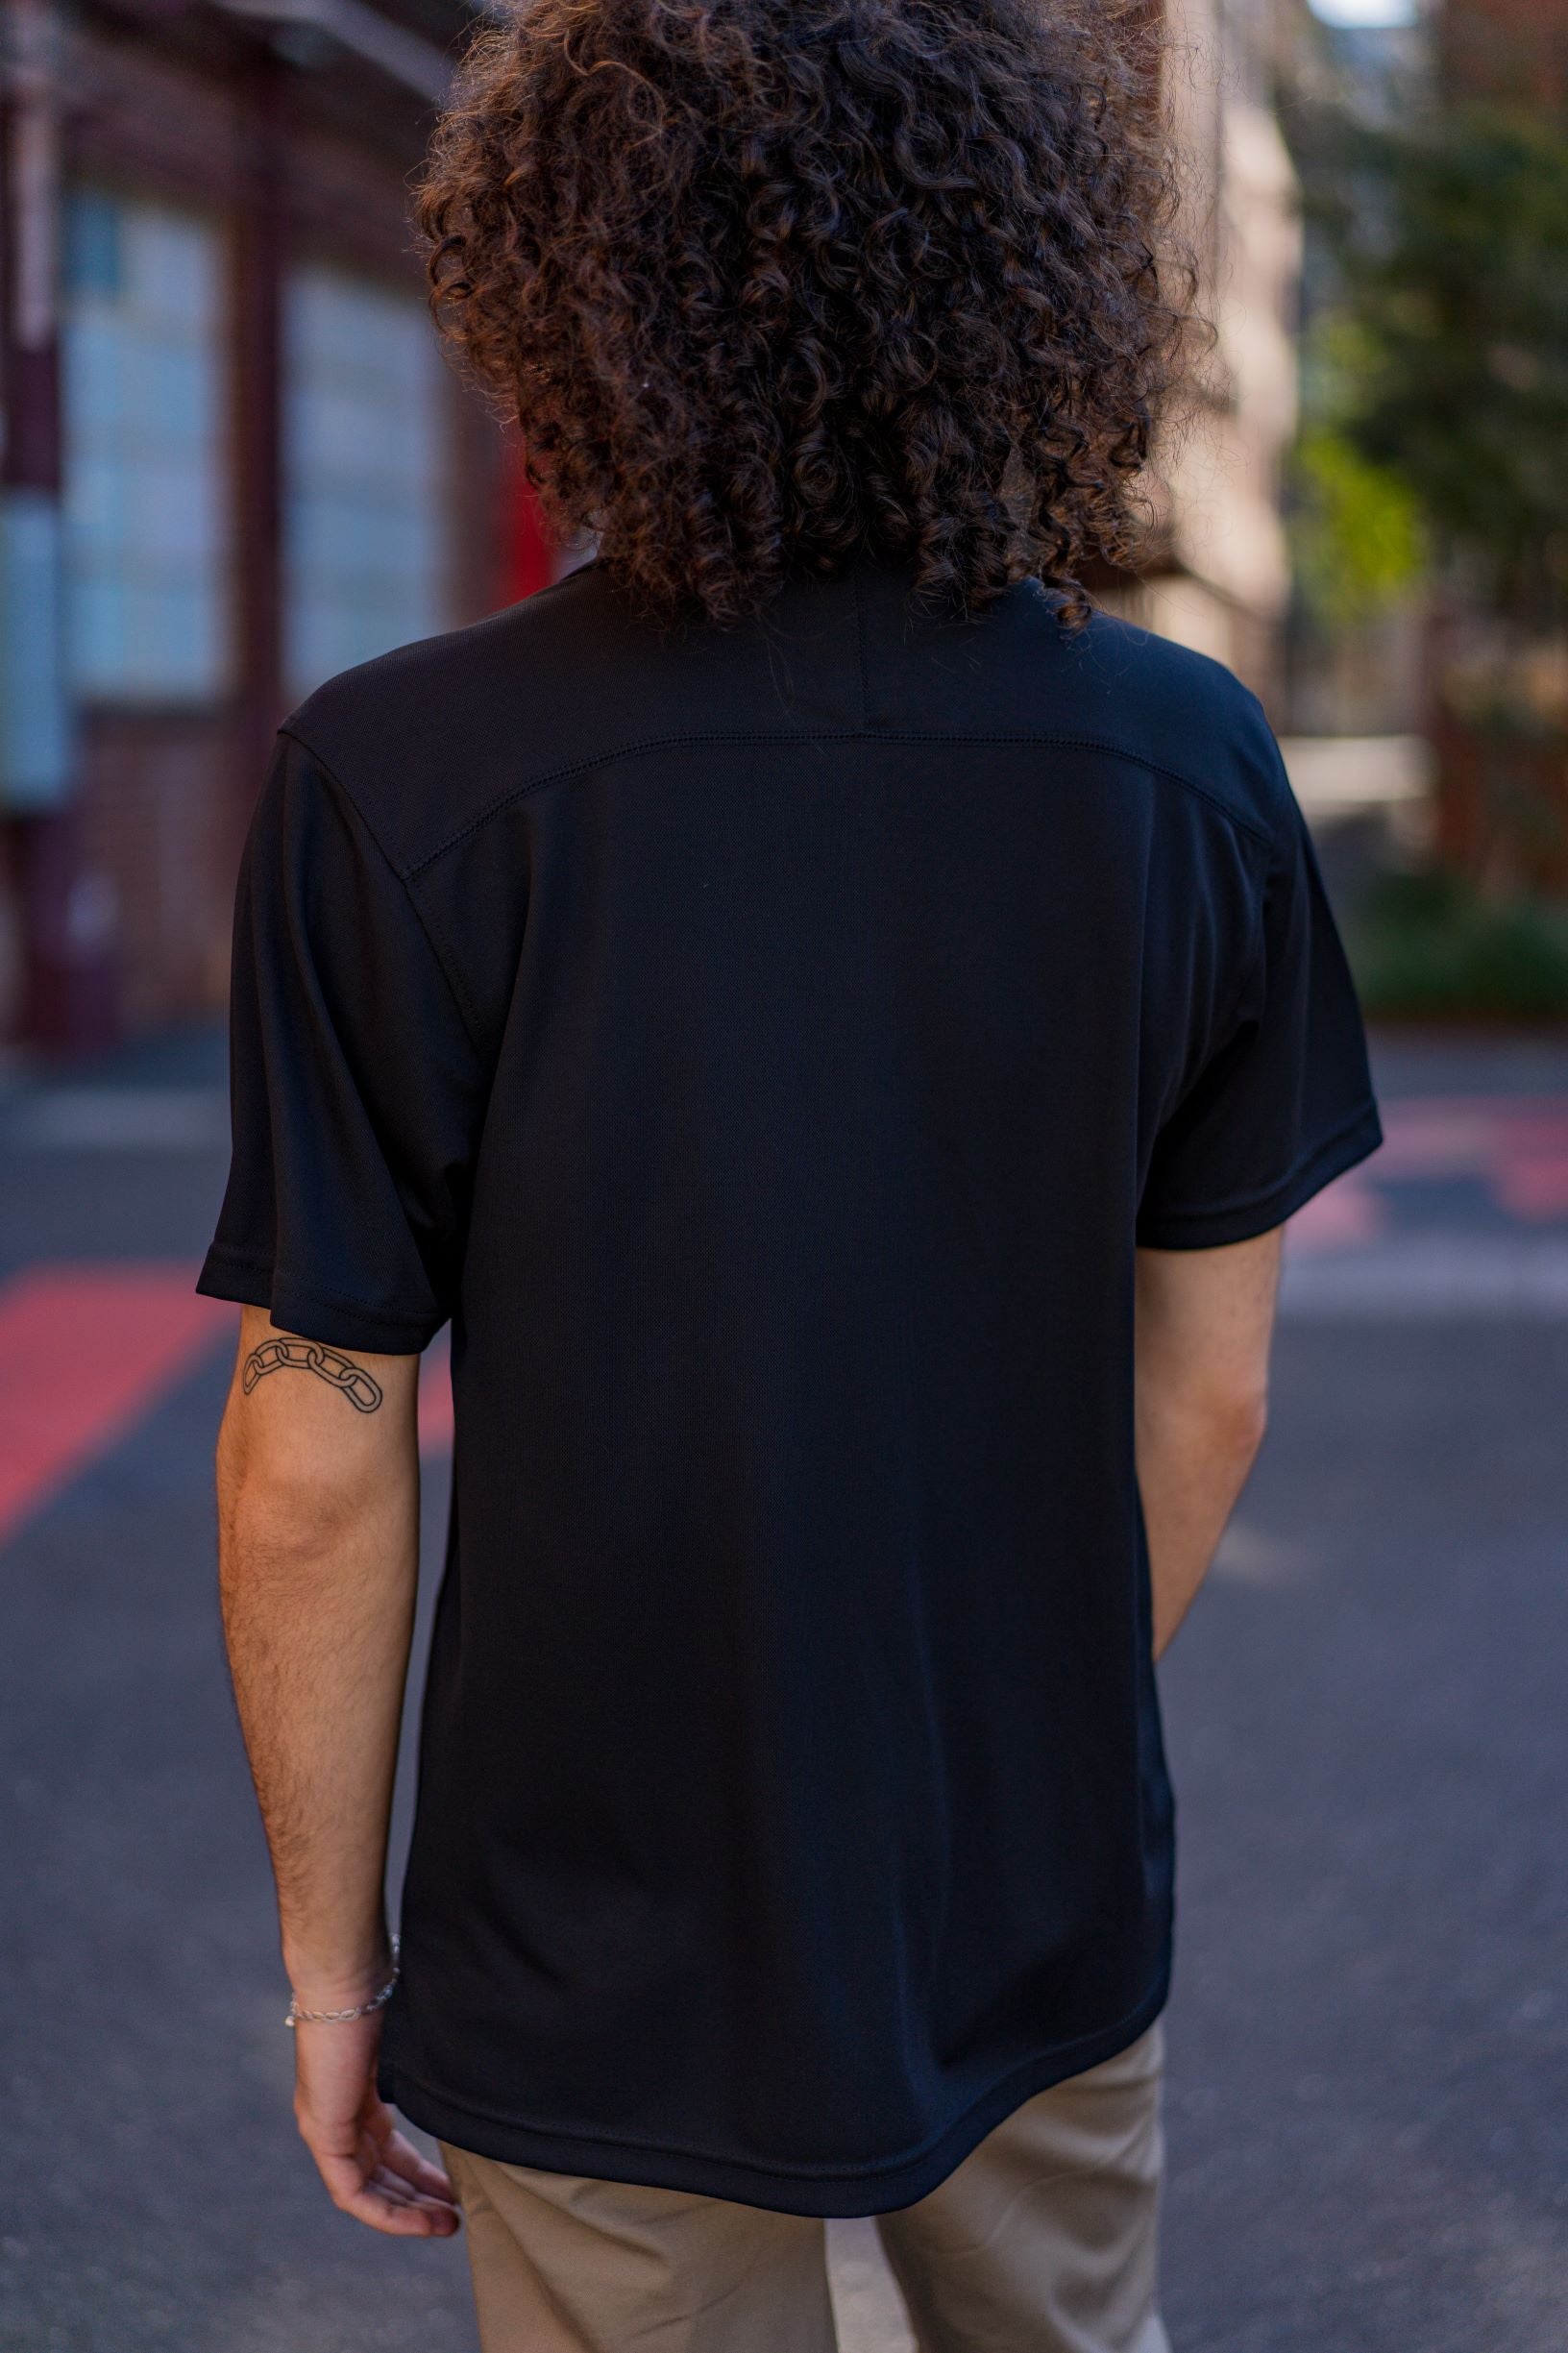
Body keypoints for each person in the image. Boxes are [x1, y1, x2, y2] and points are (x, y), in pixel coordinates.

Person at [199, 2, 1384, 2346]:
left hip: (589, 1923)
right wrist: (990, 1746)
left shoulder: (402, 775)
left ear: (567, 290)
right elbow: (1211, 1395)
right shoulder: (1184, 761)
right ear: (1024, 288)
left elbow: (312, 1457)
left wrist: (336, 1981)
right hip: (1033, 1895)